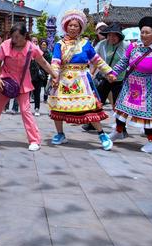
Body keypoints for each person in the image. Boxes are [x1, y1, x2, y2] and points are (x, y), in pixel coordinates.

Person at [48, 10, 115, 150]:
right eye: (70, 25)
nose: (73, 28)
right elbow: (55, 62)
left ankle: (102, 134)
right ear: (66, 26)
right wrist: (54, 76)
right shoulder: (59, 44)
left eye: (76, 25)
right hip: (64, 80)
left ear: (80, 28)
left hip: (82, 80)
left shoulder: (85, 44)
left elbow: (97, 60)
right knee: (57, 108)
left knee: (90, 108)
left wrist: (109, 72)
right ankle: (60, 134)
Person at [0, 23, 56, 151]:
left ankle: (34, 140)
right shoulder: (6, 45)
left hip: (22, 83)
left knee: (25, 111)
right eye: (13, 37)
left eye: (18, 37)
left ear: (25, 36)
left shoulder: (32, 48)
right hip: (5, 81)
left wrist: (54, 75)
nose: (15, 40)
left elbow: (43, 62)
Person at [107, 16, 152, 154]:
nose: (144, 35)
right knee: (121, 111)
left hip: (148, 88)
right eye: (142, 32)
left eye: (147, 33)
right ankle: (119, 131)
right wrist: (114, 73)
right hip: (130, 84)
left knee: (147, 118)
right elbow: (123, 62)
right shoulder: (133, 47)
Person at [94, 23, 126, 109]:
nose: (112, 37)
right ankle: (93, 121)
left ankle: (118, 121)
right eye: (109, 35)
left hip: (119, 79)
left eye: (114, 35)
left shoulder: (125, 45)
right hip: (105, 77)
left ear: (119, 36)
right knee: (98, 101)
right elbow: (93, 56)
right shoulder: (102, 44)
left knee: (118, 104)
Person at [30, 39, 50, 117]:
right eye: (42, 44)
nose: (43, 46)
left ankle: (37, 108)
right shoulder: (31, 51)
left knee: (37, 94)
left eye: (45, 45)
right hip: (30, 75)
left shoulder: (47, 54)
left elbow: (47, 64)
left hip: (39, 76)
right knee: (27, 94)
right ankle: (26, 109)